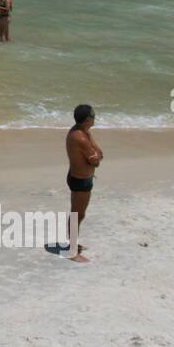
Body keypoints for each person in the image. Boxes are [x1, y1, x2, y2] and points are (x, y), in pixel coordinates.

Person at [64, 105, 102, 263]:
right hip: (80, 180)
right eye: (93, 115)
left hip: (81, 178)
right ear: (87, 119)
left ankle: (73, 244)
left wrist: (96, 155)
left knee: (78, 214)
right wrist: (96, 157)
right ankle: (72, 251)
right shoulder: (80, 137)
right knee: (77, 215)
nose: (95, 117)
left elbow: (98, 153)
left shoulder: (84, 132)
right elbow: (96, 159)